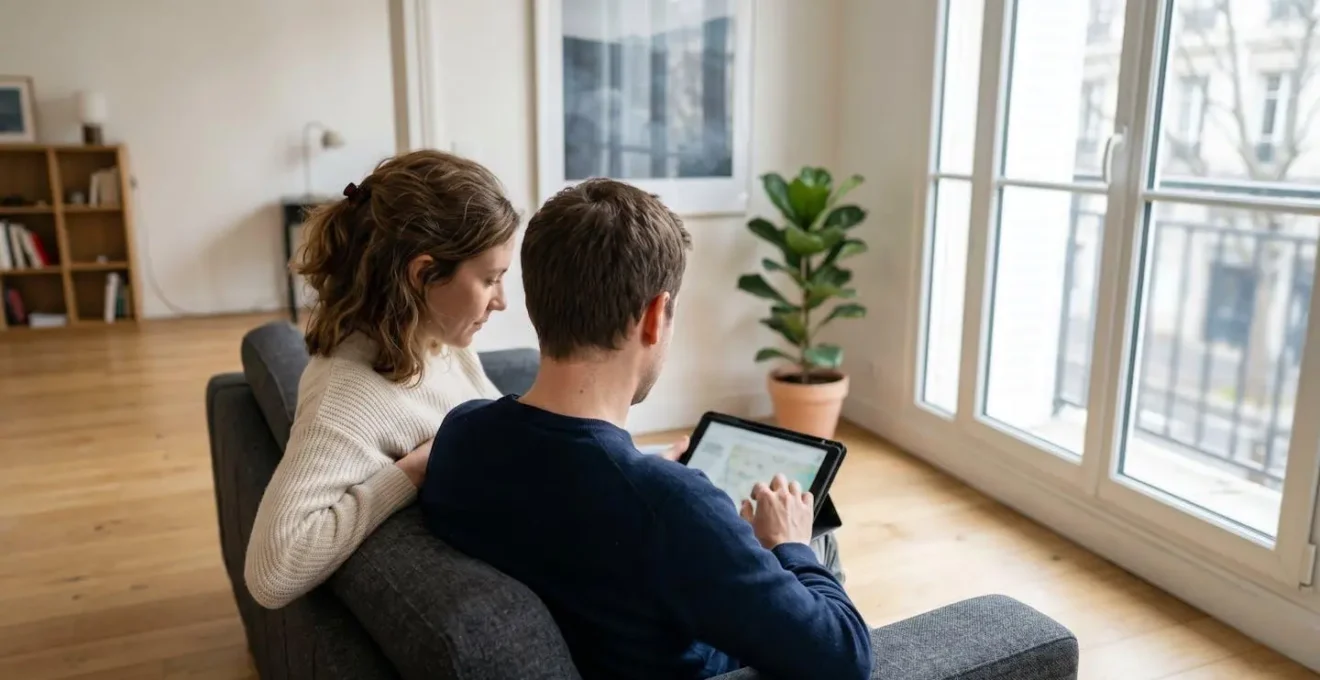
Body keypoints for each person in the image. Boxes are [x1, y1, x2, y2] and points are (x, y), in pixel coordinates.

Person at [419, 179, 872, 680]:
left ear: (535, 302)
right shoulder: (672, 509)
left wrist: (651, 479)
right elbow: (845, 658)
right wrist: (790, 546)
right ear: (656, 316)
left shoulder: (461, 435)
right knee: (815, 537)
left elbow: (575, 505)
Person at [244, 150, 521, 609]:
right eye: (491, 279)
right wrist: (413, 470)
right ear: (423, 273)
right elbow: (271, 572)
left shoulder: (438, 341)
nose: (502, 301)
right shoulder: (347, 398)